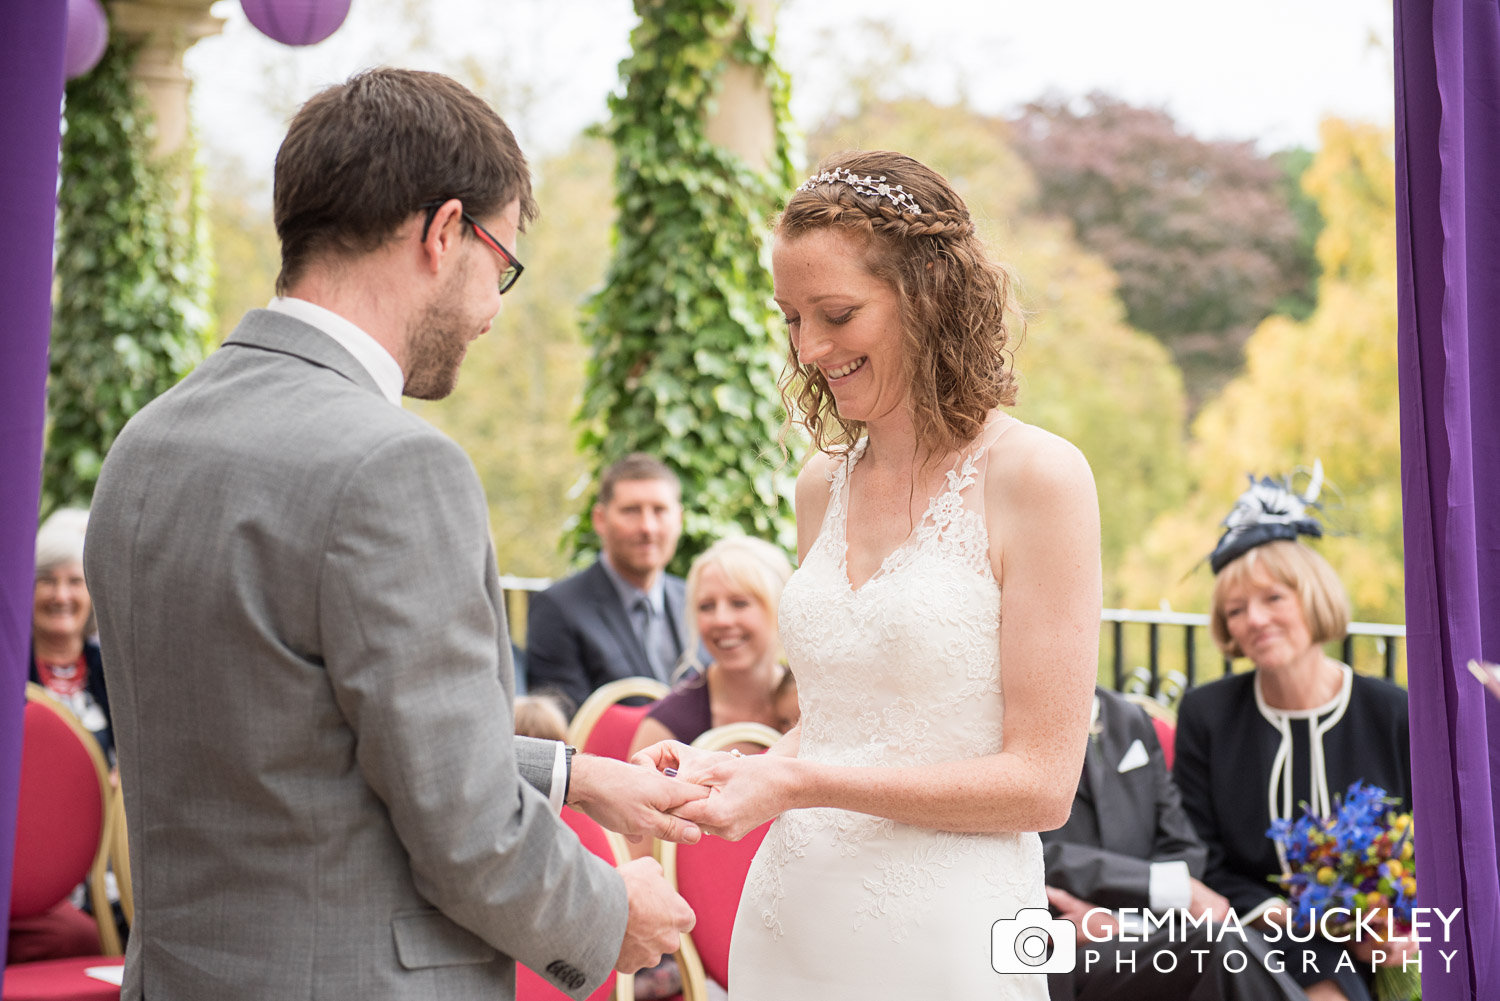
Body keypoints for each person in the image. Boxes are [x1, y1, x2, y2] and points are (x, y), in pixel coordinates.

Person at [84, 68, 705, 1001]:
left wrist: (576, 777)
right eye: (502, 262)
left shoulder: (149, 440)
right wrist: (615, 912)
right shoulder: (396, 468)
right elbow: (466, 835)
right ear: (444, 231)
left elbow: (297, 730)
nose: (496, 308)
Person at [636, 151, 1102, 998]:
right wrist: (734, 770)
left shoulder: (1040, 478)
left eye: (837, 314)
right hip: (791, 922)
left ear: (927, 296)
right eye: (790, 319)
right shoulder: (822, 485)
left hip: (949, 940)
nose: (809, 349)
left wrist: (797, 781)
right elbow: (845, 718)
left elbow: (1041, 784)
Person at [1173, 469, 1413, 1001]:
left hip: (1385, 943)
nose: (1255, 620)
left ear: (1312, 597)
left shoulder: (1394, 713)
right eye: (1236, 610)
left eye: (1273, 598)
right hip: (1258, 932)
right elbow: (1198, 854)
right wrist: (1287, 917)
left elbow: (1437, 846)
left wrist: (1404, 928)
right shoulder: (1206, 715)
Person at [1043, 687, 1304, 1001]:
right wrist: (1169, 888)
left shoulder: (1129, 718)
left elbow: (1183, 849)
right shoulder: (995, 720)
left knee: (1250, 946)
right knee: (1220, 946)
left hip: (1143, 930)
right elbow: (1033, 855)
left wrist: (1124, 921)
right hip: (1055, 942)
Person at [527, 454, 689, 712]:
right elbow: (568, 727)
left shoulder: (694, 600)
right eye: (631, 511)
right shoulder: (557, 608)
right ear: (600, 519)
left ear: (679, 519)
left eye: (660, 511)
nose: (647, 527)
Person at [628, 536, 795, 755]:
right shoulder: (665, 728)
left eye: (739, 603)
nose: (721, 620)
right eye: (707, 606)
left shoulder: (810, 700)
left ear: (780, 607)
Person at [29, 508, 111, 762]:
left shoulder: (112, 671)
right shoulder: (8, 672)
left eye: (75, 581)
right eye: (47, 581)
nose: (61, 596)